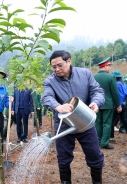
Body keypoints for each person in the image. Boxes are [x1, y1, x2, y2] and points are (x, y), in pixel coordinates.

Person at [42, 50, 104, 184]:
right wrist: (58, 106)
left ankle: (97, 181)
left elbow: (97, 91)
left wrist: (96, 102)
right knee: (63, 157)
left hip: (85, 122)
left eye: (60, 65)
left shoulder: (85, 74)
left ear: (69, 61)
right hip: (64, 125)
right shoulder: (50, 82)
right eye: (54, 67)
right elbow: (47, 97)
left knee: (94, 154)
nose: (57, 69)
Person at [93, 58, 120, 149]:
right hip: (108, 104)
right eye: (109, 66)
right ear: (105, 66)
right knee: (107, 124)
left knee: (98, 123)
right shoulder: (111, 77)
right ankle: (104, 143)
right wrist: (118, 104)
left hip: (96, 104)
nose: (110, 68)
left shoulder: (94, 77)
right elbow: (115, 93)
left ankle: (98, 141)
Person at [110, 70, 127, 141]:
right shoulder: (124, 84)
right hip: (124, 104)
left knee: (111, 121)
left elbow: (118, 95)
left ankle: (111, 137)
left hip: (118, 104)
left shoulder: (116, 84)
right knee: (124, 120)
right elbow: (125, 94)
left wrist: (118, 104)